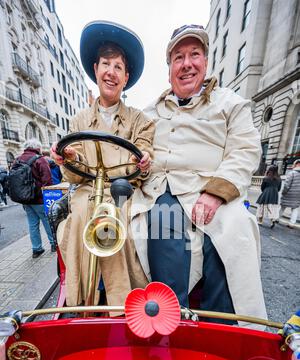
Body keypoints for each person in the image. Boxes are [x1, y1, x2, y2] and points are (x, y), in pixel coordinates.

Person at [130, 24, 267, 329]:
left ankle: (222, 329)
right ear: (169, 70)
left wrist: (216, 192)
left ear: (205, 62)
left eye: (194, 54)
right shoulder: (149, 112)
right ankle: (169, 321)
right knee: (164, 220)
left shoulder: (231, 104)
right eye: (178, 57)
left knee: (235, 228)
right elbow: (130, 146)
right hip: (162, 188)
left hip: (210, 187)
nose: (187, 63)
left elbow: (244, 151)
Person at [51, 21, 154, 307]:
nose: (111, 72)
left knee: (117, 215)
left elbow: (143, 161)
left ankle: (122, 304)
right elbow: (73, 177)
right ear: (96, 69)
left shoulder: (141, 121)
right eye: (106, 64)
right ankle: (80, 300)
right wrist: (68, 159)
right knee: (83, 209)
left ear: (126, 76)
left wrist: (143, 162)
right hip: (87, 188)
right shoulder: (78, 122)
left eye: (118, 66)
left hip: (125, 190)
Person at [13, 139, 56, 258]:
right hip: (39, 199)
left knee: (32, 224)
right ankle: (53, 244)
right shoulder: (39, 159)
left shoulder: (18, 159)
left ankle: (37, 249)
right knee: (48, 222)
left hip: (25, 199)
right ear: (38, 148)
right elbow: (48, 181)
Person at [279, 159, 300, 228]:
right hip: (298, 195)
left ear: (296, 164)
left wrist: (283, 192)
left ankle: (276, 218)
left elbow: (287, 185)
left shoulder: (292, 173)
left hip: (289, 193)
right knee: (295, 209)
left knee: (282, 206)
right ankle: (292, 223)